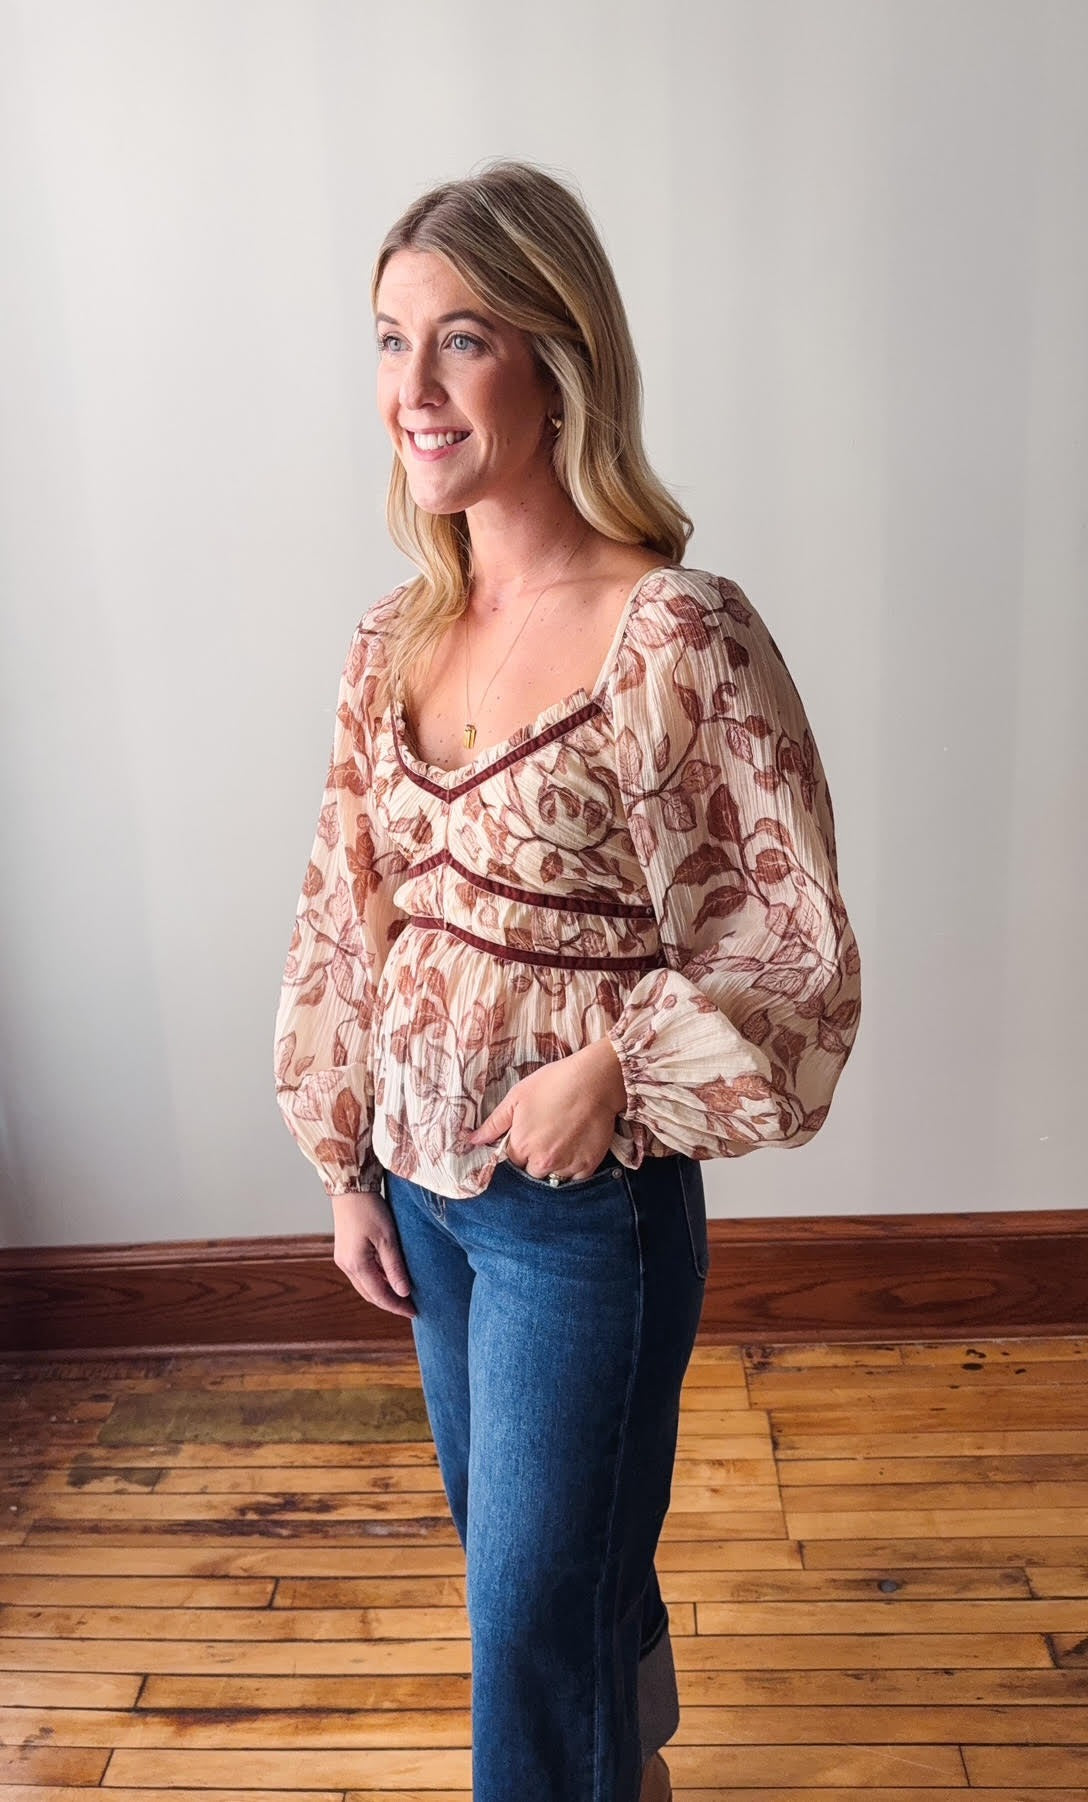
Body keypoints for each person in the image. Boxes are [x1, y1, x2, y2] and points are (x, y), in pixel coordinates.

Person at [274, 158, 861, 1802]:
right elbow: (345, 910)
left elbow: (791, 932)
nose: (414, 389)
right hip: (424, 1187)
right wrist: (345, 1163)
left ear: (556, 358)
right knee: (535, 1553)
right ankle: (635, 1764)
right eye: (390, 341)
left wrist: (617, 1069)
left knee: (522, 1605)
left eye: (460, 341)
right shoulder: (394, 637)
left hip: (577, 1205)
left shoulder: (676, 633)